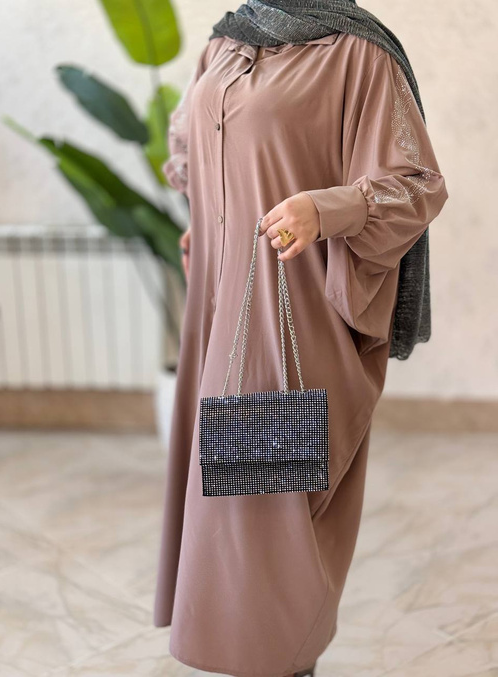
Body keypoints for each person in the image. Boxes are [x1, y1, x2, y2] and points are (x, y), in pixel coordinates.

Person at [153, 2, 449, 676]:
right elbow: (198, 149)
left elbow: (416, 186)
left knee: (268, 509)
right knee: (229, 505)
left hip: (289, 314)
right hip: (218, 309)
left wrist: (325, 209)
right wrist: (209, 217)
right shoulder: (227, 40)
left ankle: (285, 661)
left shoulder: (357, 54)